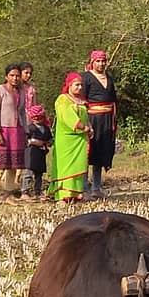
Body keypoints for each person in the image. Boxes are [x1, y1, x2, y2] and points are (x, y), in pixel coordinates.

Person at [0, 63, 27, 206]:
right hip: (3, 131)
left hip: (17, 131)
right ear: (6, 76)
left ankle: (8, 195)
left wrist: (25, 131)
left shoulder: (21, 92)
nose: (15, 78)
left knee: (13, 166)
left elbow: (22, 113)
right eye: (12, 75)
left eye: (17, 76)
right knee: (0, 165)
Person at [47, 72, 91, 204]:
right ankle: (62, 195)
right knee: (66, 166)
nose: (80, 87)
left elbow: (86, 116)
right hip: (67, 139)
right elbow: (66, 116)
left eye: (81, 85)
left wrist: (89, 127)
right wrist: (82, 126)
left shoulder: (82, 101)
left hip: (80, 140)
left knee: (78, 165)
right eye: (76, 85)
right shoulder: (63, 99)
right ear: (69, 85)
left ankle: (76, 194)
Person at [81, 49, 118, 199]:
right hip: (92, 119)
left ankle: (96, 187)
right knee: (87, 153)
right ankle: (84, 188)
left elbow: (113, 100)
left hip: (107, 120)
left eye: (103, 61)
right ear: (92, 62)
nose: (101, 64)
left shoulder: (109, 78)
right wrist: (85, 123)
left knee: (100, 153)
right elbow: (81, 101)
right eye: (98, 61)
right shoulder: (86, 78)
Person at [21, 104, 53, 201]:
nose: (37, 119)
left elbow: (50, 139)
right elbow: (25, 140)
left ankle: (37, 192)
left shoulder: (46, 129)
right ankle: (25, 191)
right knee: (28, 173)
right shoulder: (29, 128)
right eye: (35, 117)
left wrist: (48, 143)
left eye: (39, 117)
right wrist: (33, 141)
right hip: (31, 153)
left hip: (41, 154)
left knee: (39, 174)